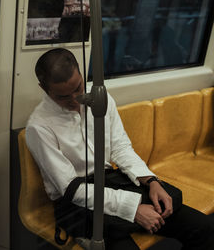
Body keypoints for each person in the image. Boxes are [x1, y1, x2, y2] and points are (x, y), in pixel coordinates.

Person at [25, 48, 214, 249]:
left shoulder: (100, 97)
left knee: (205, 228)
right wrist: (132, 209)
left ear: (81, 74)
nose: (75, 100)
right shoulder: (39, 127)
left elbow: (120, 147)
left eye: (78, 88)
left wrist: (150, 180)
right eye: (63, 97)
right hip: (76, 201)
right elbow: (71, 188)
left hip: (110, 181)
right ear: (44, 89)